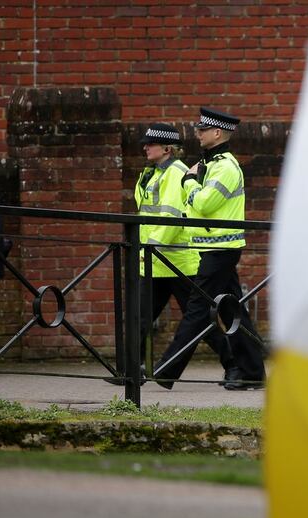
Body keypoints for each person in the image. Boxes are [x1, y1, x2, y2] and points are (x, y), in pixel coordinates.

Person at [109, 123, 233, 386]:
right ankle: (131, 372)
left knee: (201, 321)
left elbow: (170, 217)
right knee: (139, 318)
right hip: (155, 261)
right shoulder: (151, 173)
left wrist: (147, 248)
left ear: (166, 148)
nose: (145, 147)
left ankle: (234, 364)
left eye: (150, 144)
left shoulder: (176, 173)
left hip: (177, 263)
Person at [154, 107, 266, 391]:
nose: (198, 133)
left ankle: (167, 369)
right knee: (232, 310)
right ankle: (252, 372)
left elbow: (204, 204)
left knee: (198, 308)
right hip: (213, 247)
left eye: (202, 130)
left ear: (217, 133)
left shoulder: (225, 167)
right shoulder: (211, 164)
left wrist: (189, 182)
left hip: (220, 249)